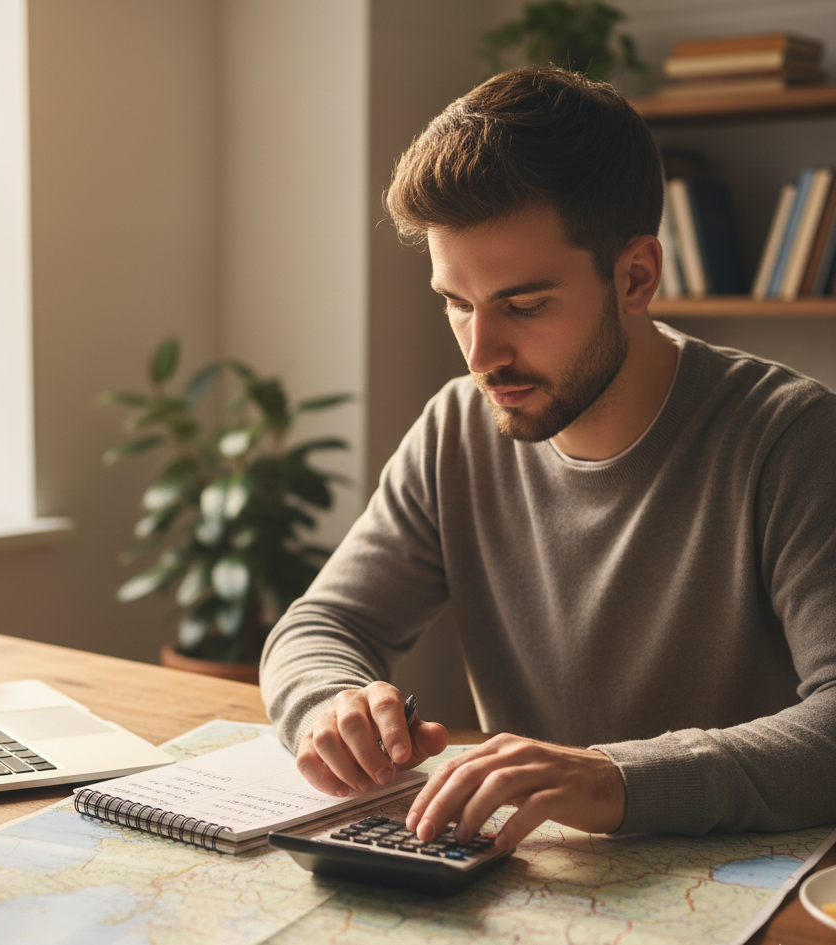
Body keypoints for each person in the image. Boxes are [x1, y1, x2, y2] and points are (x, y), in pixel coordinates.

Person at [258, 67, 836, 853]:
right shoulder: (455, 428)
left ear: (635, 276)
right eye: (456, 302)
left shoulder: (792, 437)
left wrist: (615, 778)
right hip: (523, 886)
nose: (480, 353)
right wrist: (331, 705)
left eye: (523, 306)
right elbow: (325, 622)